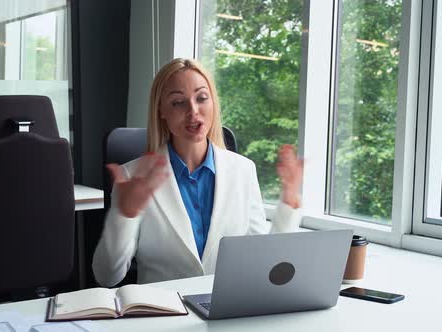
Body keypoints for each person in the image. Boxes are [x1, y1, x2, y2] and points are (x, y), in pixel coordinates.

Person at [92, 58, 303, 286]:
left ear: (213, 102)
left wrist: (288, 205)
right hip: (164, 313)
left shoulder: (243, 170)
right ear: (161, 110)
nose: (193, 111)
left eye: (202, 98)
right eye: (178, 103)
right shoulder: (133, 176)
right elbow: (107, 277)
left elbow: (265, 261)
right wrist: (125, 215)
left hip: (227, 309)